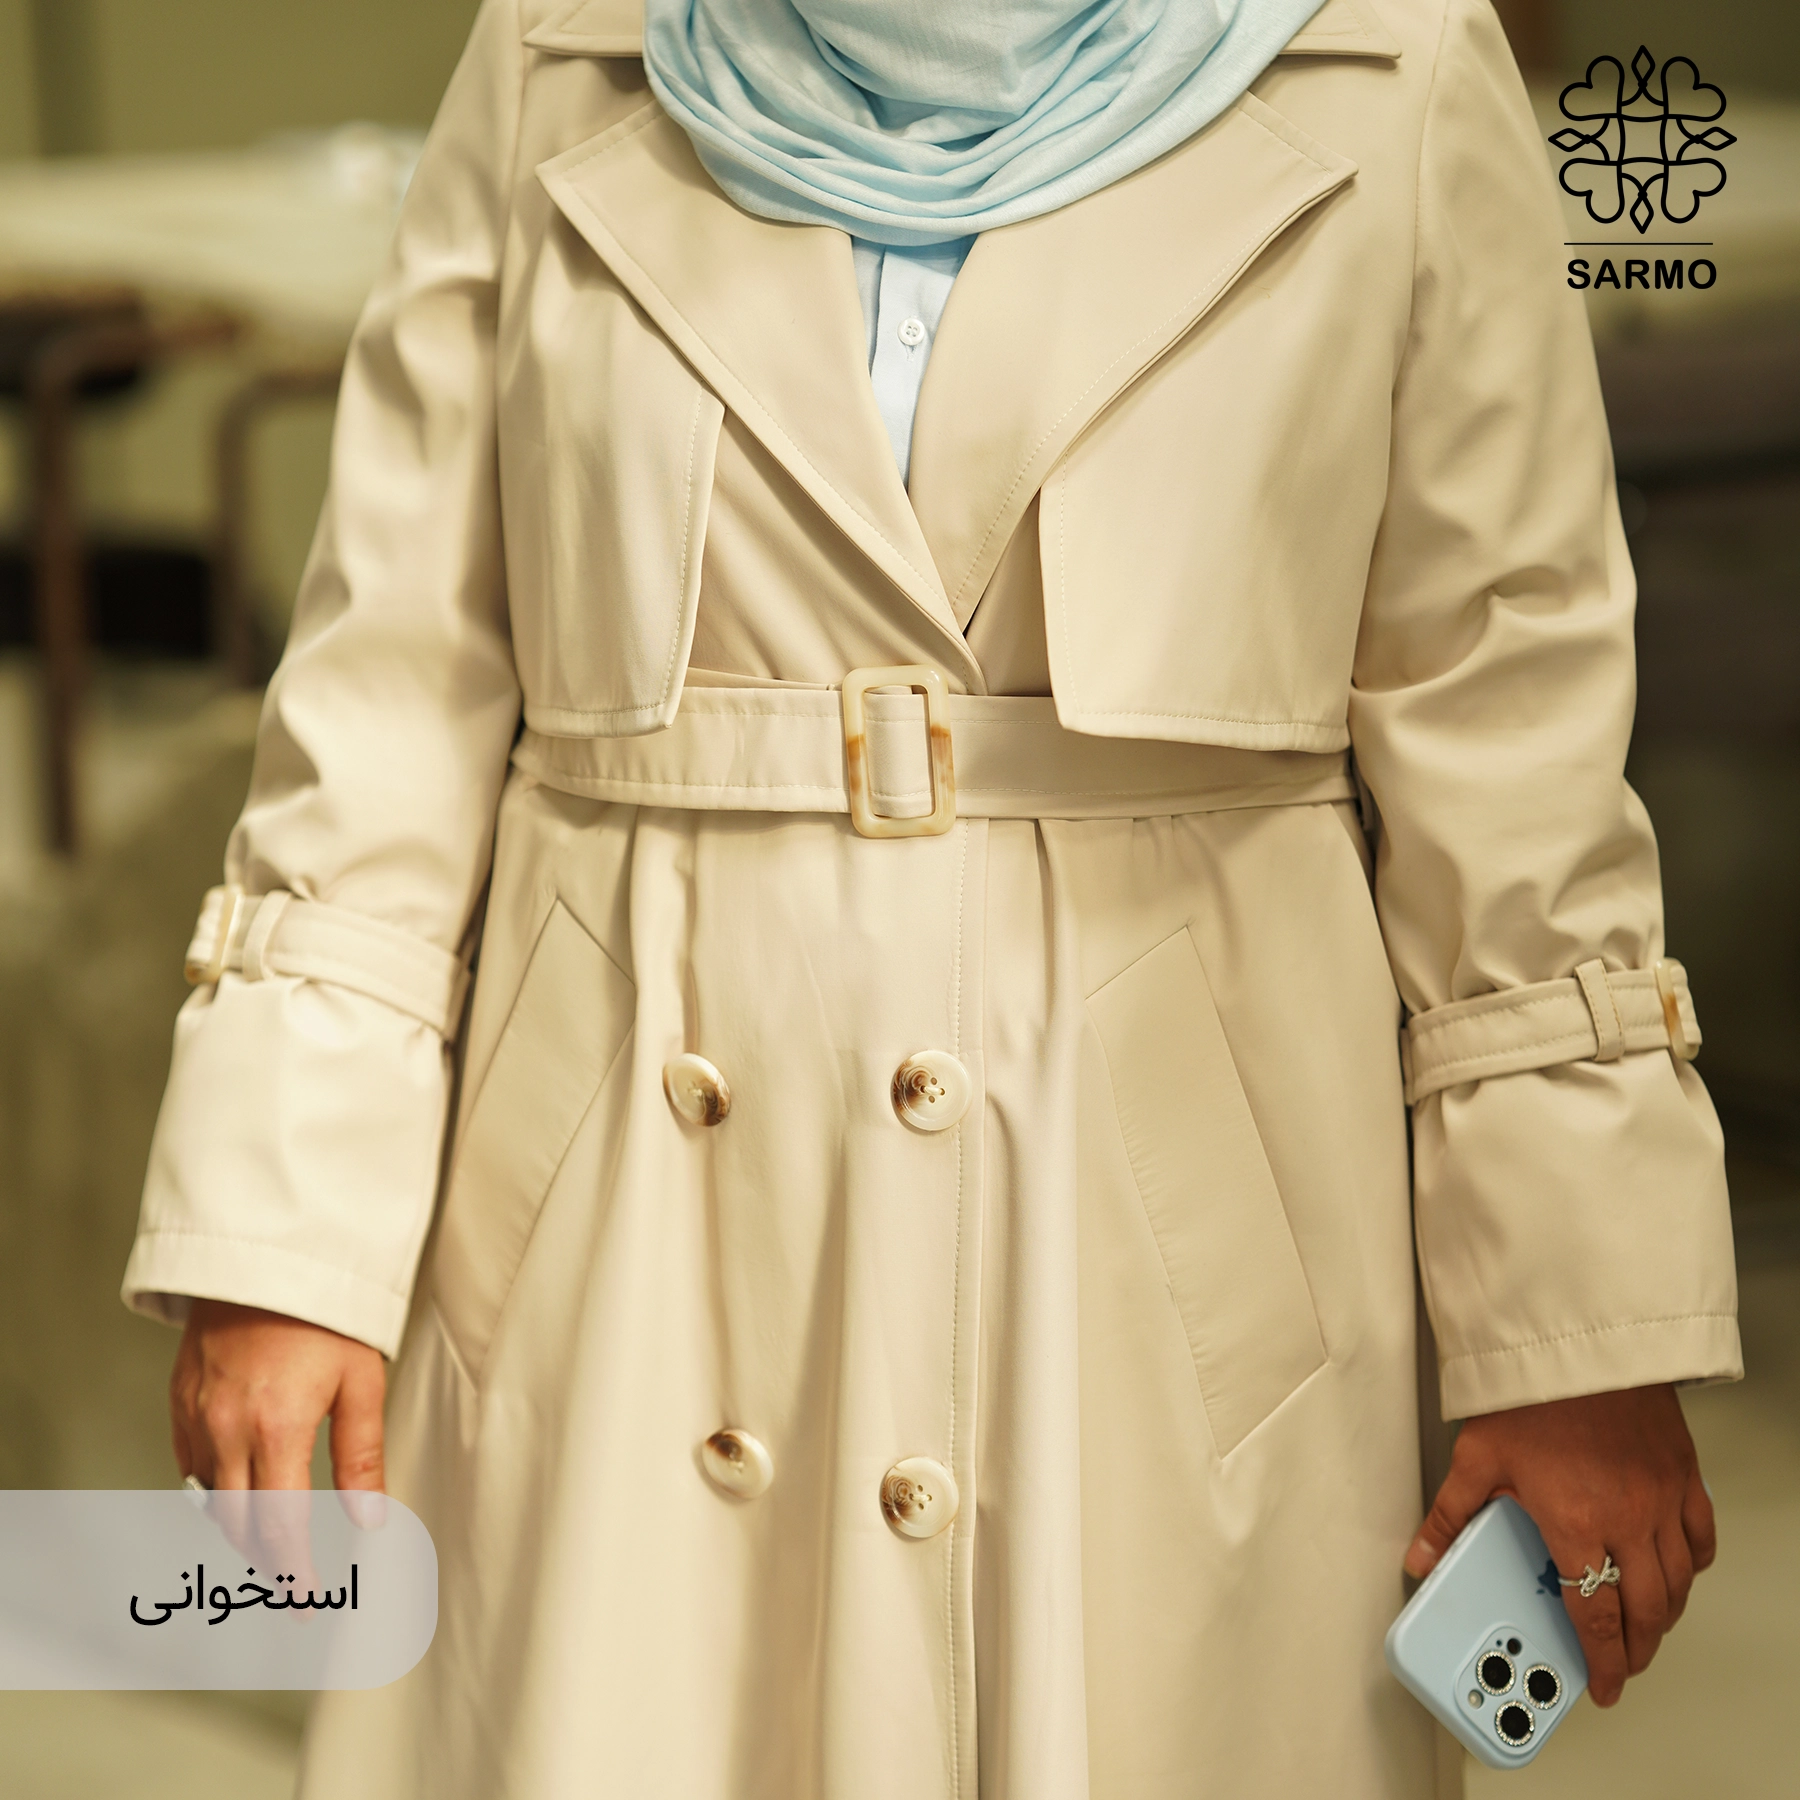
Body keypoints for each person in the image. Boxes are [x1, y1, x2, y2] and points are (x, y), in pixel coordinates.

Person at [126, 0, 1740, 1794]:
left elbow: (1511, 751)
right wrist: (280, 1239)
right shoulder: (559, 46)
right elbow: (389, 684)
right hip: (622, 1230)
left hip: (1169, 1245)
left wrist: (1577, 1328)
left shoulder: (1394, 62)